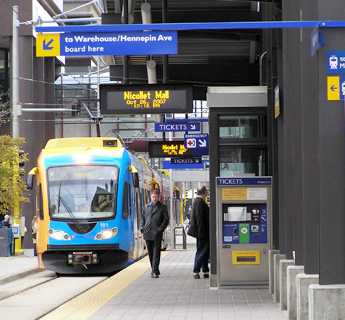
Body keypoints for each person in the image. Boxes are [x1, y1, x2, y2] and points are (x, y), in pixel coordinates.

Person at [140, 189, 169, 278]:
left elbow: (165, 220)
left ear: (158, 197)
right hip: (147, 233)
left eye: (156, 197)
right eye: (153, 197)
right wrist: (142, 228)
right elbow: (142, 218)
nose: (154, 199)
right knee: (151, 253)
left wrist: (160, 230)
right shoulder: (146, 207)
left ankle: (154, 271)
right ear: (151, 197)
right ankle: (154, 269)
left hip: (156, 233)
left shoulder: (162, 207)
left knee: (156, 253)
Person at [187, 185, 210, 279]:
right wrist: (201, 233)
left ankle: (205, 270)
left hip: (203, 231)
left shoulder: (198, 202)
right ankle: (196, 271)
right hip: (203, 232)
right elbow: (199, 219)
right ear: (204, 192)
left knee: (204, 250)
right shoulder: (200, 203)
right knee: (201, 250)